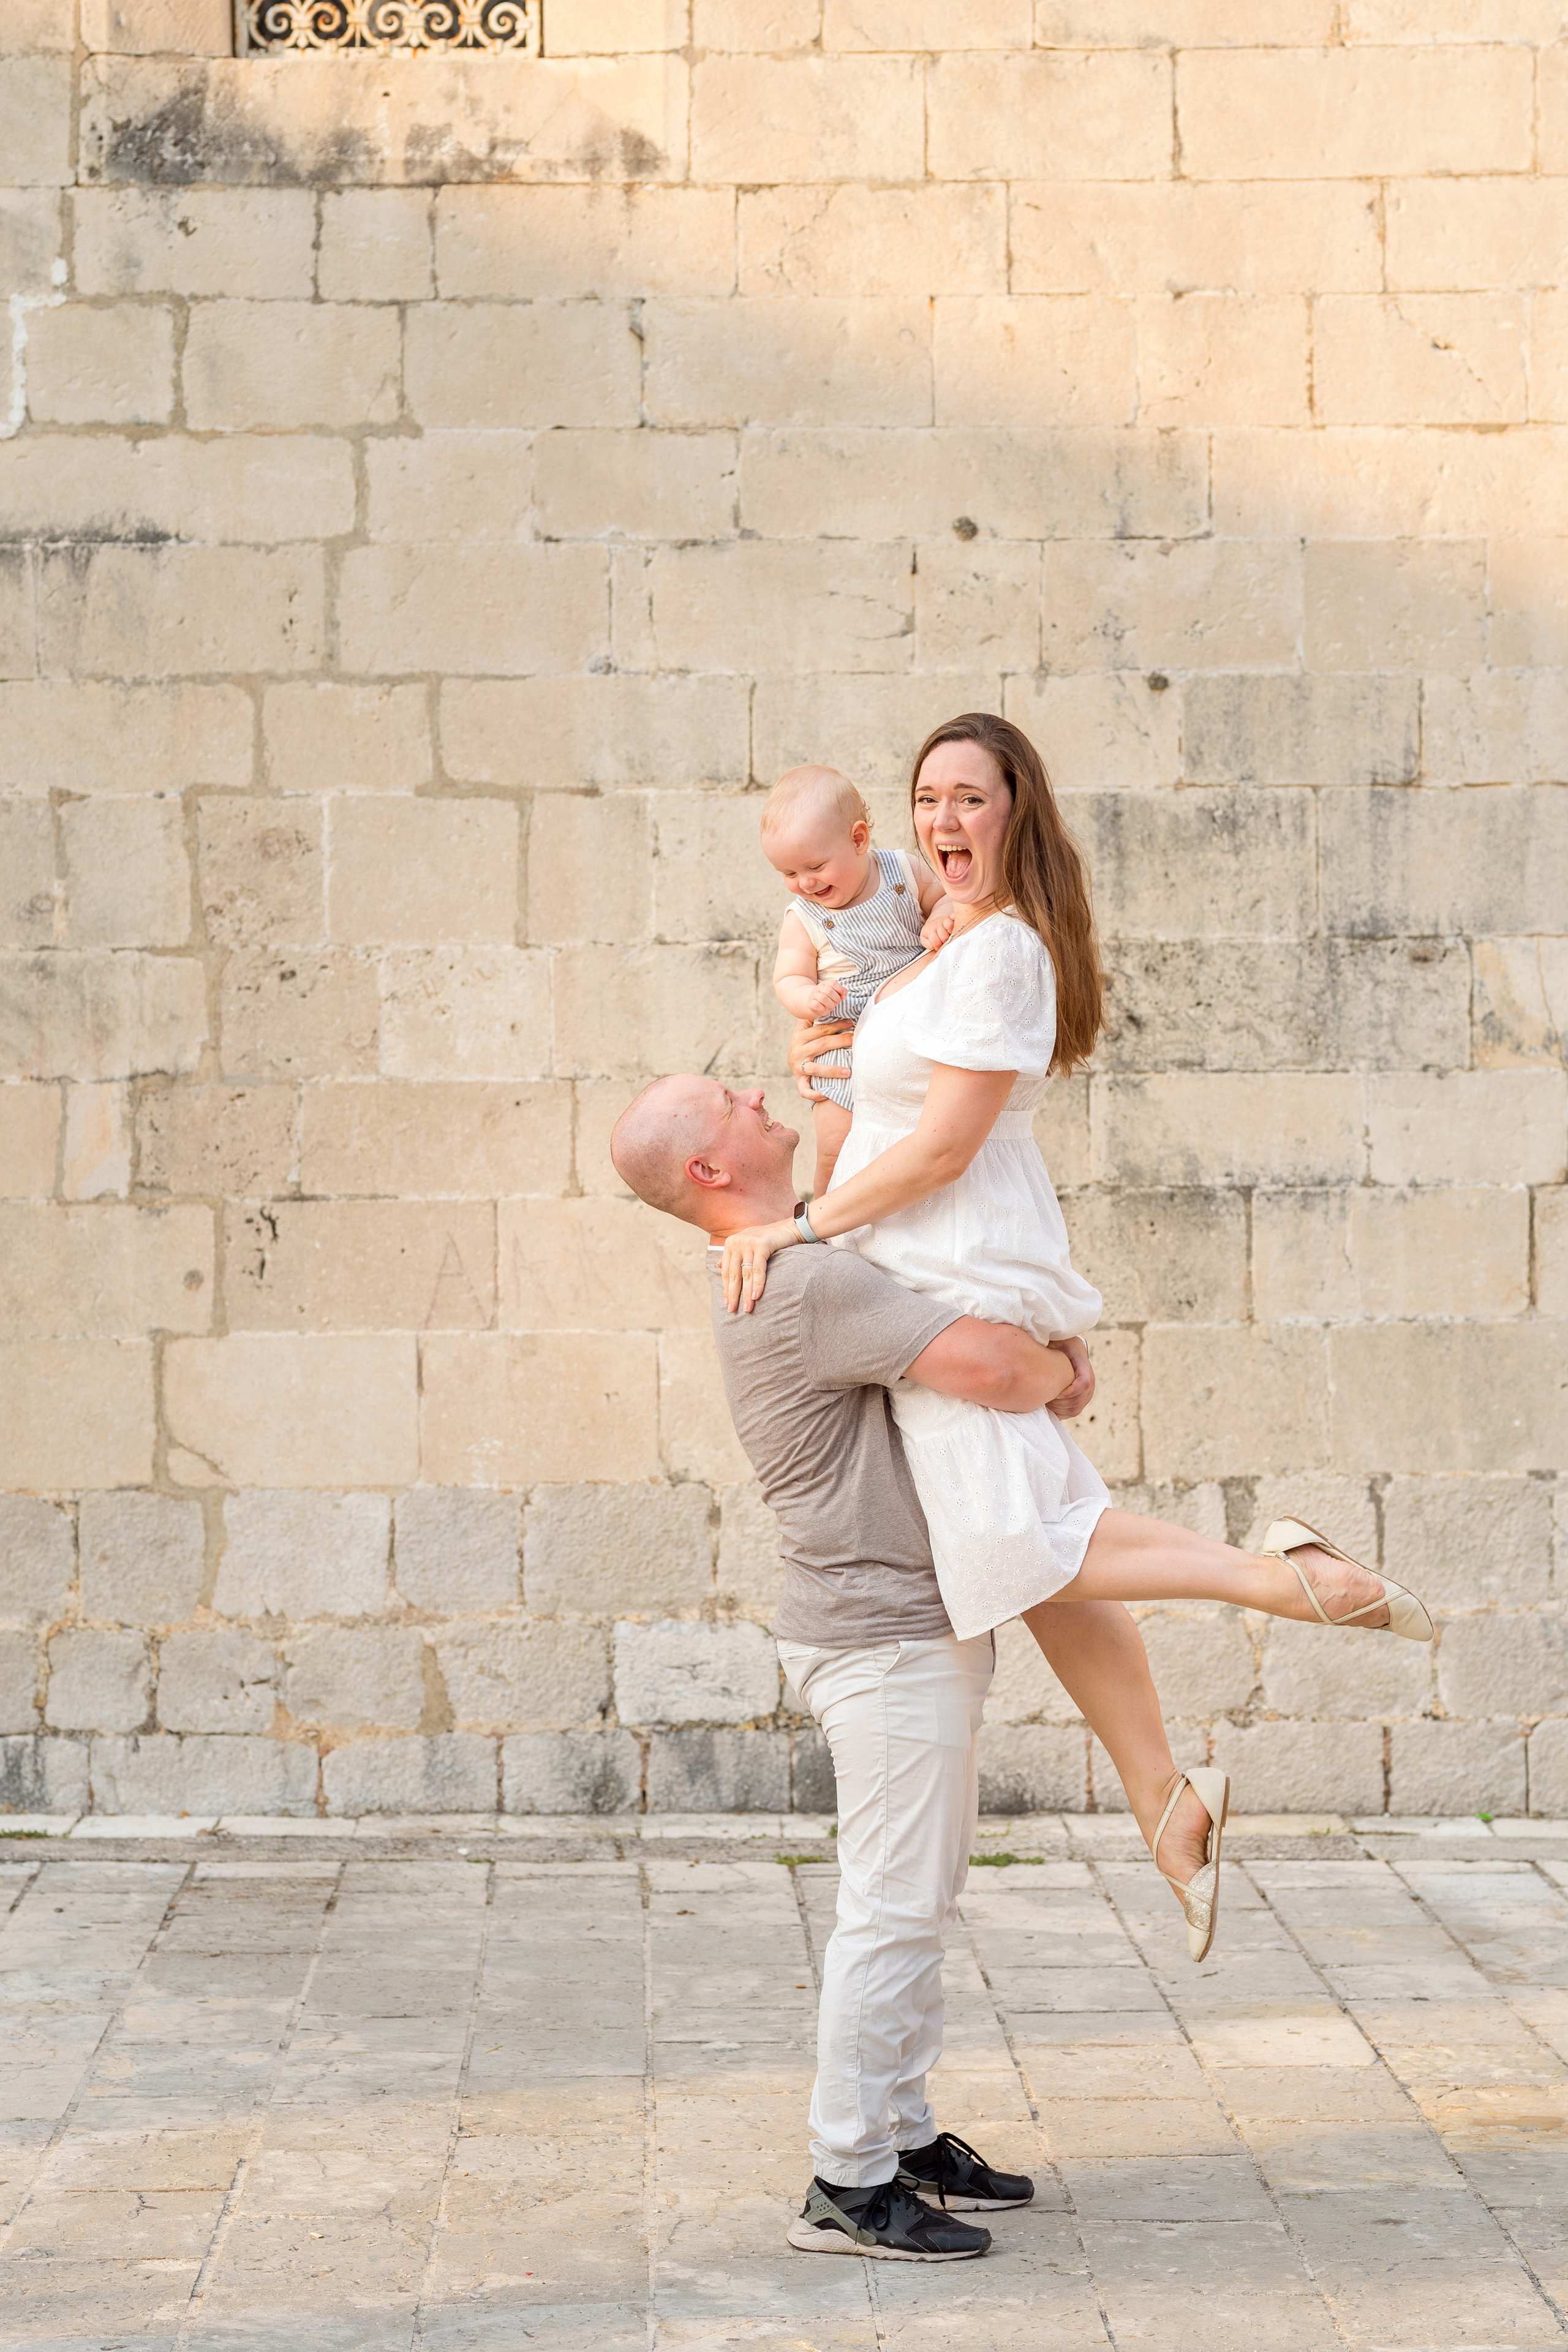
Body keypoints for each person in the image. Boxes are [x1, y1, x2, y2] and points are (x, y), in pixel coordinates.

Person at [715, 712, 1435, 1961]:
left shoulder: (999, 955)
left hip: (946, 1272)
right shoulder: (946, 940)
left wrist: (803, 1228)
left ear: (1016, 810)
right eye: (928, 796)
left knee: (1011, 1544)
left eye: (970, 798)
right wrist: (832, 1036)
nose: (945, 819)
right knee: (1033, 1552)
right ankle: (1162, 1799)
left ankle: (1284, 1578)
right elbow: (884, 1088)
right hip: (944, 1271)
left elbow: (941, 1147)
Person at [610, 1072, 1197, 2260]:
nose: (753, 1092)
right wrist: (1061, 1371)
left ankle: (903, 2131)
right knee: (890, 1906)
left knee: (917, 1895)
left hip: (898, 1633)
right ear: (708, 1173)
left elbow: (898, 1198)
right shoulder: (801, 1280)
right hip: (880, 1640)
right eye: (728, 1098)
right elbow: (984, 1367)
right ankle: (845, 2178)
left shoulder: (801, 1252)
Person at [762, 764, 951, 1195]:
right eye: (788, 874)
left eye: (814, 866)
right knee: (835, 1144)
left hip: (909, 1022)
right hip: (844, 1043)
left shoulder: (904, 872)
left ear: (859, 839)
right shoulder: (804, 918)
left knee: (906, 1139)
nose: (804, 884)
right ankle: (825, 1217)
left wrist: (938, 919)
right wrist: (808, 997)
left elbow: (942, 899)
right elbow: (788, 975)